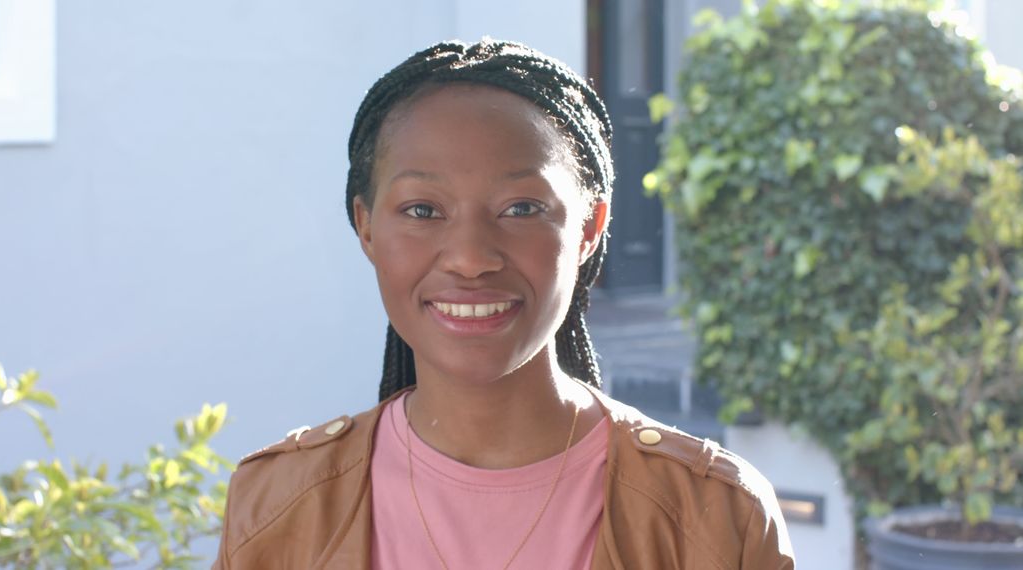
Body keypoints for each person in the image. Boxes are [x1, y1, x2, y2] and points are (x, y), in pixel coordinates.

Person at [213, 39, 794, 570]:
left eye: (521, 208)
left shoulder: (716, 518)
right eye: (422, 210)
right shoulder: (275, 506)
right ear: (366, 227)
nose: (470, 258)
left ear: (591, 227)